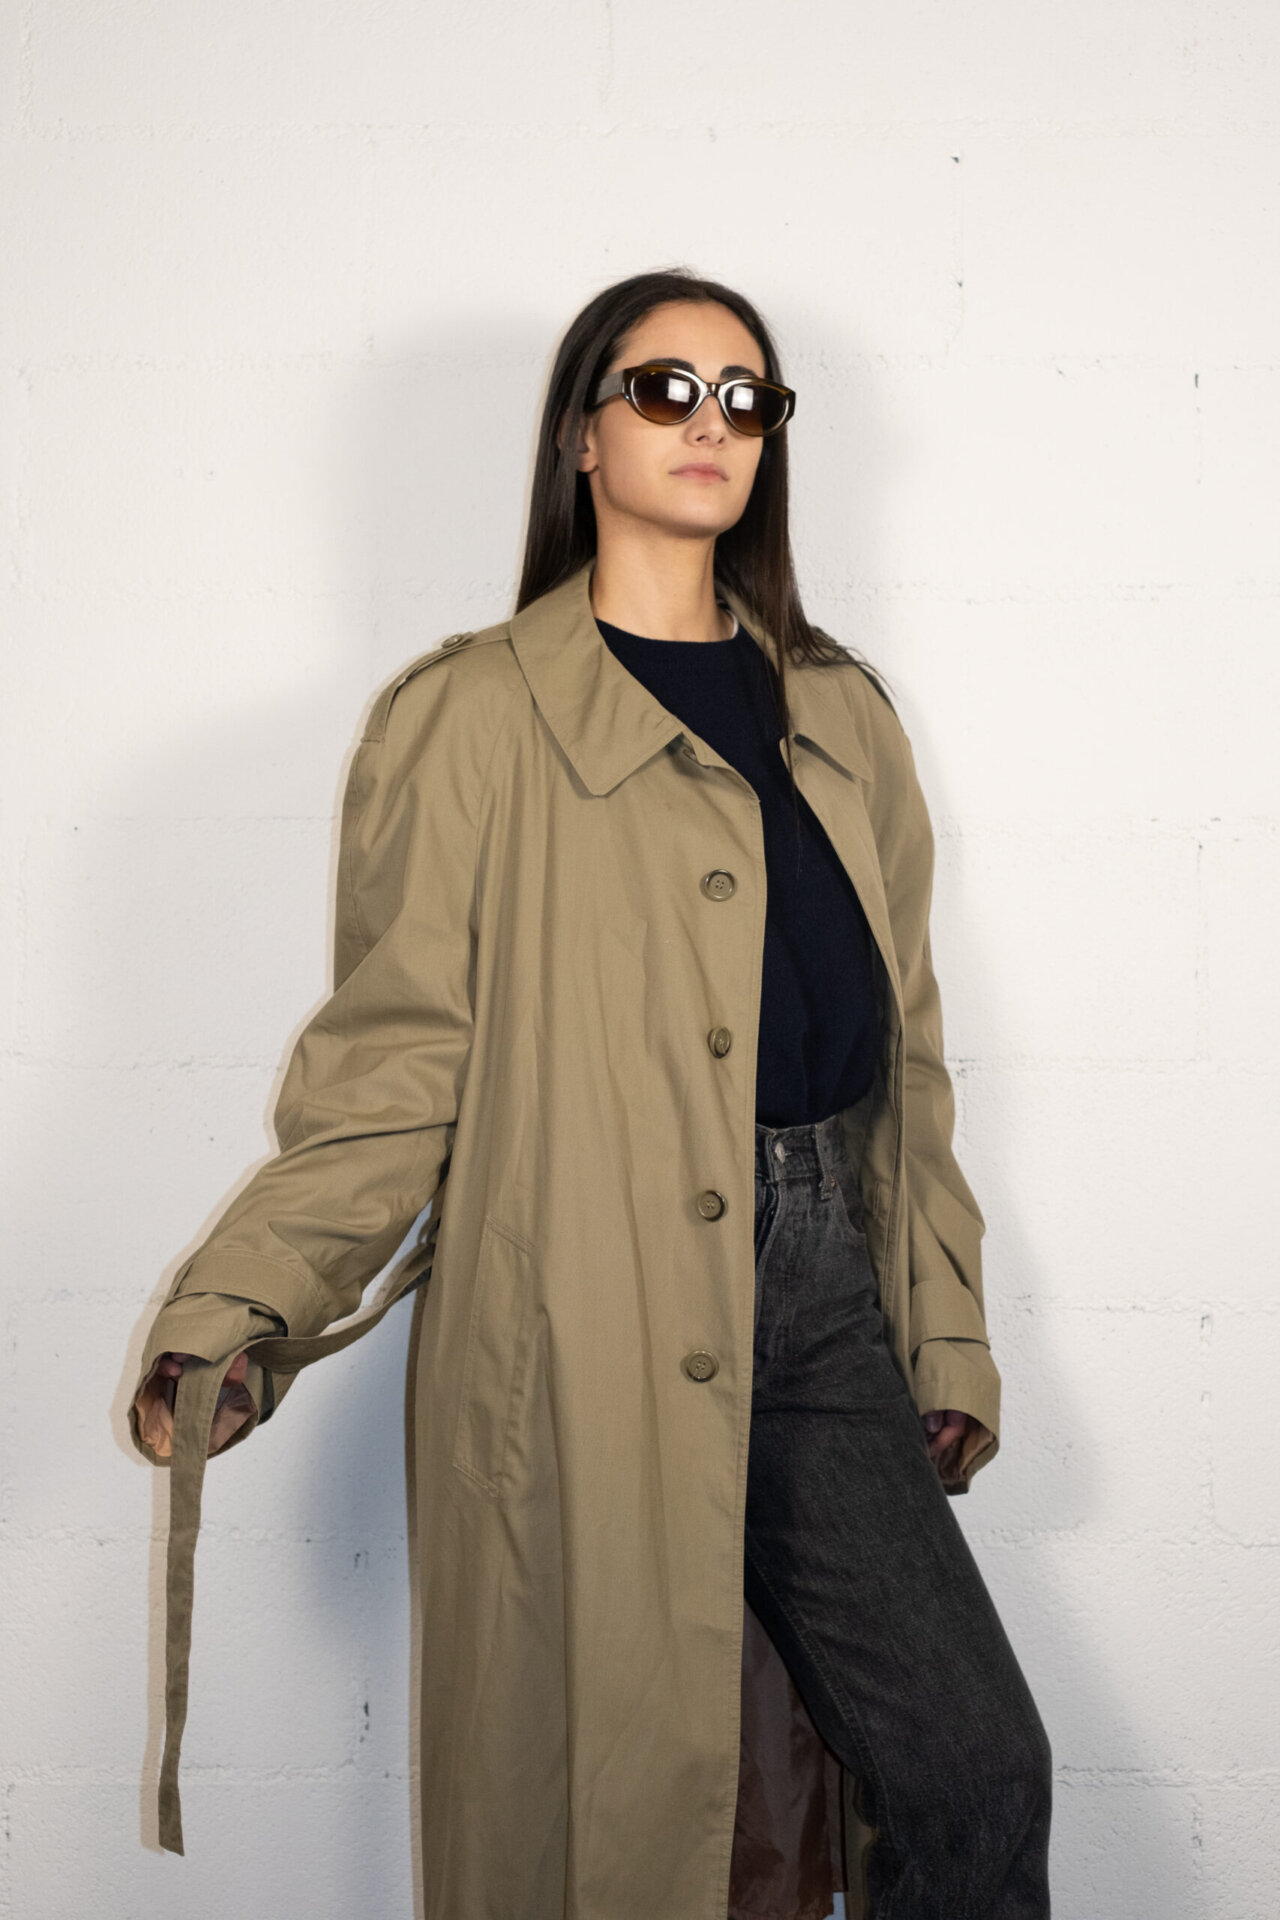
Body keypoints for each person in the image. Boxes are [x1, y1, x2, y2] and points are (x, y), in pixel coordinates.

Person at [128, 267, 1052, 1918]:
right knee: (620, 1826)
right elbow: (394, 1062)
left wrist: (944, 1326)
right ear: (581, 434)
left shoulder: (843, 716)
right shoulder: (471, 719)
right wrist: (243, 1302)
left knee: (974, 1771)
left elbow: (909, 1061)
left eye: (747, 398)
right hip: (582, 1309)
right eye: (665, 388)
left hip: (826, 1294)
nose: (712, 423)